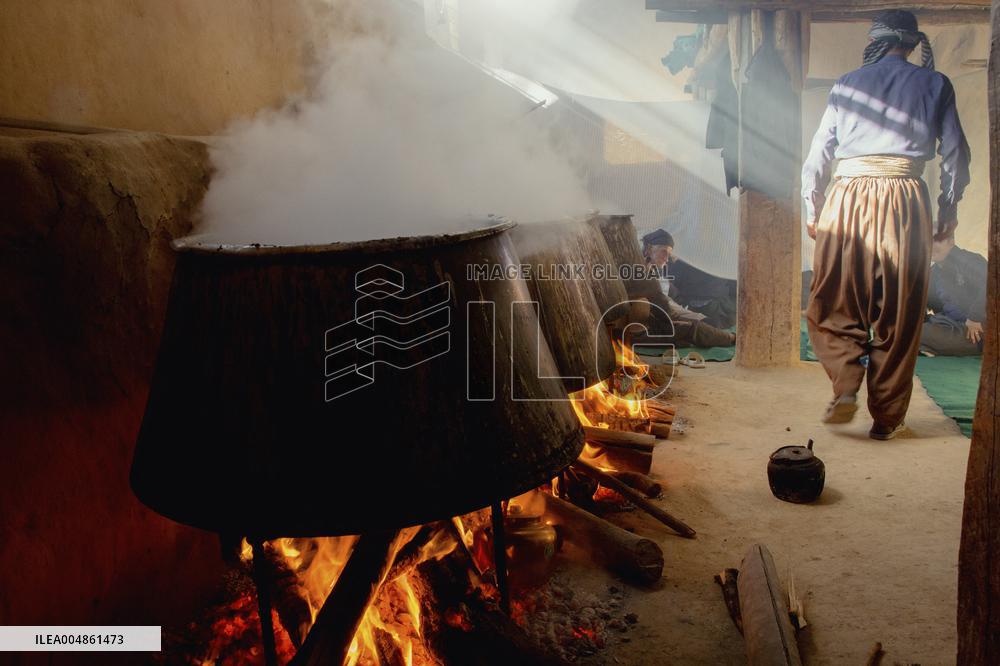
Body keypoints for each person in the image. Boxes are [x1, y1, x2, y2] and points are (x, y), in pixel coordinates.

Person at [801, 10, 970, 439]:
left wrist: (813, 208)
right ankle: (886, 418)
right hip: (905, 201)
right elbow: (956, 158)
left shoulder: (847, 83)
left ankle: (845, 383)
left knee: (833, 303)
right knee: (900, 312)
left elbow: (819, 155)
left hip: (848, 198)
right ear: (913, 43)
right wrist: (947, 213)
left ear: (873, 40)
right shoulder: (935, 83)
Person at [639, 228, 735, 348]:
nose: (666, 258)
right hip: (648, 325)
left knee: (706, 324)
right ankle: (733, 339)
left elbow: (670, 303)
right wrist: (689, 319)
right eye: (663, 252)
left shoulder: (656, 272)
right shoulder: (639, 271)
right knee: (693, 329)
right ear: (648, 249)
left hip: (663, 315)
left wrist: (698, 317)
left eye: (668, 255)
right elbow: (666, 309)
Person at [921, 237, 987, 356]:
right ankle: (926, 347)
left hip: (975, 331)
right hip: (948, 323)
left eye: (937, 241)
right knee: (906, 329)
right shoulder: (934, 272)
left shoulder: (970, 261)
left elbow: (993, 285)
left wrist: (975, 317)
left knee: (918, 335)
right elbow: (922, 301)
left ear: (951, 241)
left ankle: (925, 346)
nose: (931, 247)